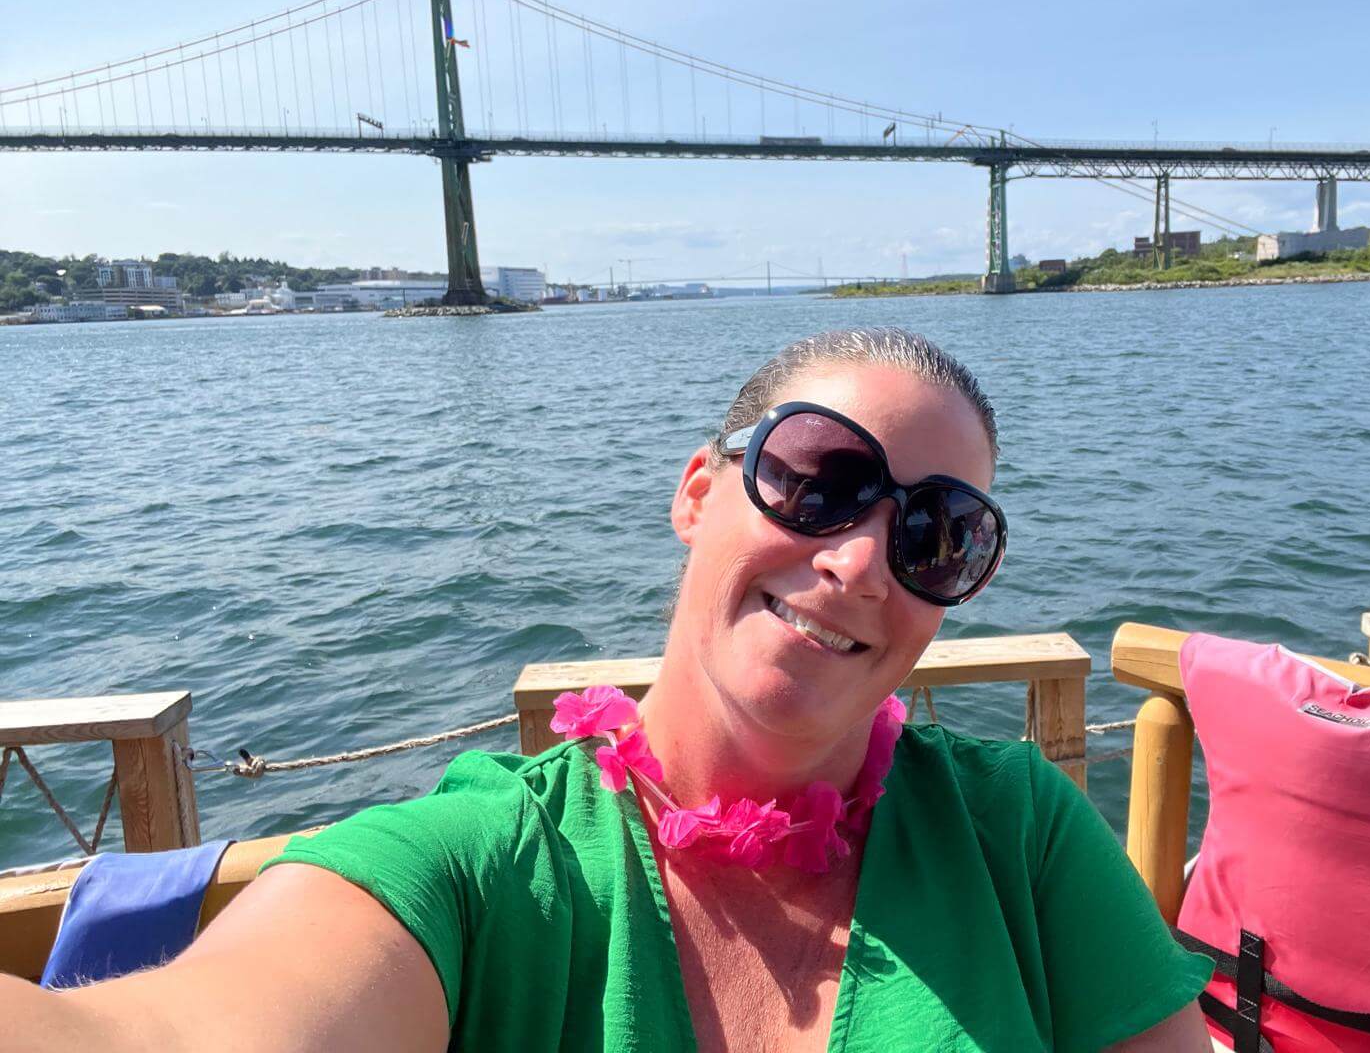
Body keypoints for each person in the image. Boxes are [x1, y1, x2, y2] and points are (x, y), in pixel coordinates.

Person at [5, 327, 1212, 1052]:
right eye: (818, 479)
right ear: (697, 492)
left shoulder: (1017, 833)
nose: (857, 562)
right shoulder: (479, 867)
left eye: (937, 535)